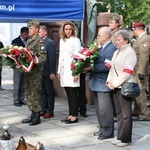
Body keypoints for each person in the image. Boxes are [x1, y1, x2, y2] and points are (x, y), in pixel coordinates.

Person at [107, 29, 137, 147]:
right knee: (119, 113)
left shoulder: (130, 52)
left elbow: (128, 71)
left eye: (119, 40)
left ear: (126, 40)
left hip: (124, 85)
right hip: (115, 85)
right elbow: (111, 68)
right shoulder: (117, 51)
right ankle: (120, 136)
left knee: (126, 114)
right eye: (116, 40)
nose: (116, 42)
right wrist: (109, 81)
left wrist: (115, 82)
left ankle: (126, 139)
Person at [88, 27, 117, 140]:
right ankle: (102, 128)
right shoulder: (100, 48)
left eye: (99, 35)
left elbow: (107, 66)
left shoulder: (111, 48)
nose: (97, 37)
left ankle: (108, 131)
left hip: (103, 83)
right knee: (99, 109)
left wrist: (92, 67)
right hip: (95, 82)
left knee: (105, 109)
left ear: (105, 36)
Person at [22, 20, 47, 126]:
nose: (29, 30)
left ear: (37, 29)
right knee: (28, 92)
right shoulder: (29, 40)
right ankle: (32, 113)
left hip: (35, 72)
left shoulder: (40, 41)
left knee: (35, 93)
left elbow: (42, 57)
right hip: (28, 72)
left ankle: (37, 116)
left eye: (31, 28)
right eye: (29, 29)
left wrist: (32, 60)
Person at [57, 21, 80, 124]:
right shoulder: (62, 41)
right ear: (63, 30)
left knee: (73, 93)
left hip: (72, 70)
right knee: (68, 93)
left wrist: (76, 73)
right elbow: (61, 57)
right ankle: (70, 114)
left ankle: (74, 115)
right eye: (66, 29)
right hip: (64, 70)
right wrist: (59, 71)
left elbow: (78, 58)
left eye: (70, 29)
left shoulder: (76, 40)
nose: (68, 31)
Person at [132, 22, 150, 121]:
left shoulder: (144, 39)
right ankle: (137, 111)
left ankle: (145, 114)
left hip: (140, 70)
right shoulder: (140, 39)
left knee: (141, 92)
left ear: (137, 29)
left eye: (133, 30)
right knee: (136, 92)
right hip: (136, 69)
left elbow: (144, 56)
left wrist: (141, 72)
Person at [38, 25, 56, 119]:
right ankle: (43, 109)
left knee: (49, 92)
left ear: (45, 32)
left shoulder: (50, 42)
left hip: (47, 71)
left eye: (40, 32)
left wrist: (52, 72)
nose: (38, 34)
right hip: (40, 71)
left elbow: (52, 58)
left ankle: (50, 110)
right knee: (42, 92)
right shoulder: (39, 42)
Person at [11, 27, 29, 107]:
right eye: (25, 34)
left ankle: (22, 98)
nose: (26, 35)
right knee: (17, 82)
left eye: (27, 34)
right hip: (17, 65)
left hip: (25, 65)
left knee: (23, 83)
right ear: (21, 33)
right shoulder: (15, 41)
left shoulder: (28, 41)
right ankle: (16, 99)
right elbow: (12, 54)